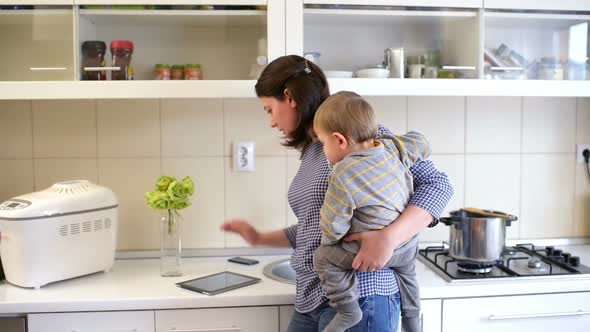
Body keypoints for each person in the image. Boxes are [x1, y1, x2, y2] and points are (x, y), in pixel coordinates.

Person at [221, 55, 454, 332]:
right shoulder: (314, 149)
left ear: (289, 97)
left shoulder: (358, 135)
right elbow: (315, 227)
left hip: (365, 295)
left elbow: (438, 185)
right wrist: (258, 238)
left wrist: (389, 238)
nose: (271, 122)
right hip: (312, 300)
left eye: (269, 109)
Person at [312, 91, 427, 332]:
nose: (323, 150)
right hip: (405, 247)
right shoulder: (392, 147)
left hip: (365, 251)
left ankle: (348, 311)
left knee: (322, 257)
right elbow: (420, 141)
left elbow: (333, 223)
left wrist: (333, 240)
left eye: (323, 143)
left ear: (340, 140)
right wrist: (416, 147)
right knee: (408, 276)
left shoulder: (343, 173)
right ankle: (414, 321)